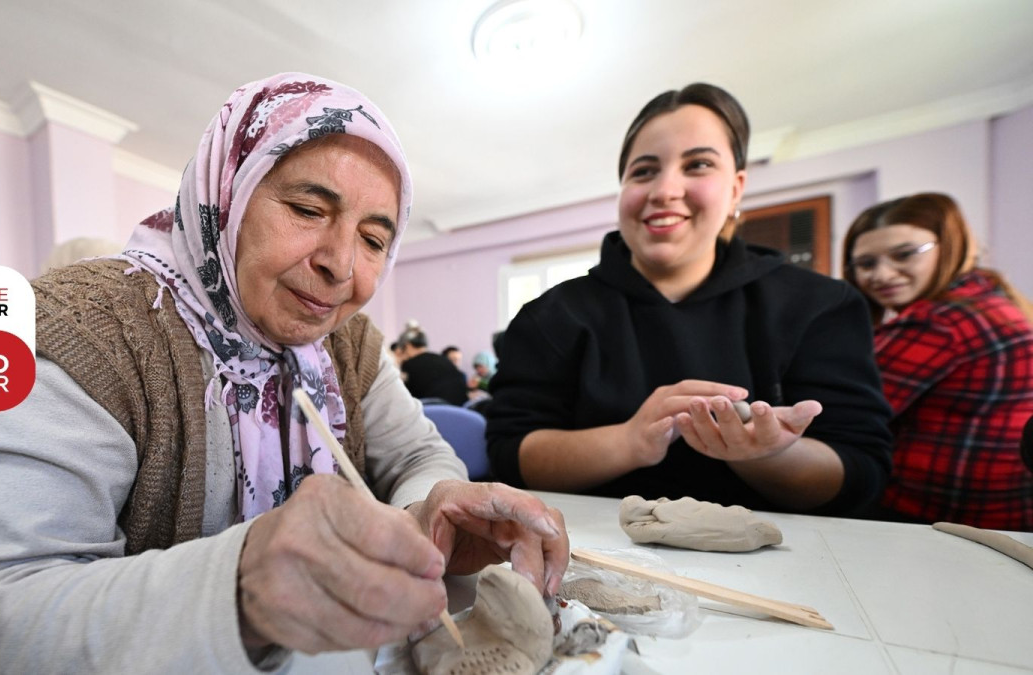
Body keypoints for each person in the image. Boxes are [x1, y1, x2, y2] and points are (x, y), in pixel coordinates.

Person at [0, 73, 567, 672]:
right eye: (308, 209)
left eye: (373, 238)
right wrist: (237, 590)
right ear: (227, 195)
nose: (342, 264)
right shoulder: (85, 330)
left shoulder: (348, 341)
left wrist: (432, 505)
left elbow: (418, 454)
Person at [486, 83, 892, 515]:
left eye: (697, 164)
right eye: (643, 171)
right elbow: (512, 454)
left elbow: (861, 470)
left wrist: (764, 453)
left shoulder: (820, 305)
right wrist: (630, 441)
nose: (664, 190)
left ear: (736, 188)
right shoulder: (549, 317)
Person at [842, 193, 1033, 530]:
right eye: (866, 264)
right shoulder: (994, 300)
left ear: (949, 246)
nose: (882, 274)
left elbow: (843, 413)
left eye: (904, 255)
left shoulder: (940, 323)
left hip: (937, 517)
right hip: (1004, 511)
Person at [397, 328, 470, 405]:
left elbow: (404, 398)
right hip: (461, 412)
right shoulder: (444, 360)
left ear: (407, 346)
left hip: (432, 412)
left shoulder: (409, 365)